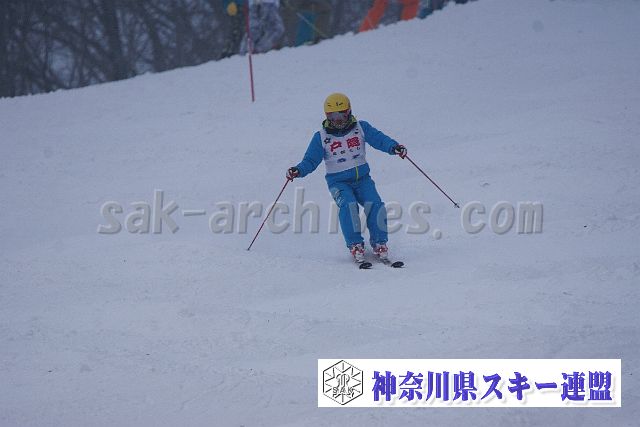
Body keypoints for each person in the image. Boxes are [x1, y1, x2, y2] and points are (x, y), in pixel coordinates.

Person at [286, 93, 407, 264]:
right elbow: (310, 160)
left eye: (341, 115)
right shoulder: (321, 137)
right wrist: (298, 170)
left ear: (349, 111)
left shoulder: (361, 128)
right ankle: (355, 244)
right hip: (338, 182)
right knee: (348, 206)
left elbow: (379, 139)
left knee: (375, 204)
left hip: (362, 179)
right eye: (332, 116)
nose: (337, 120)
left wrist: (394, 147)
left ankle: (379, 242)